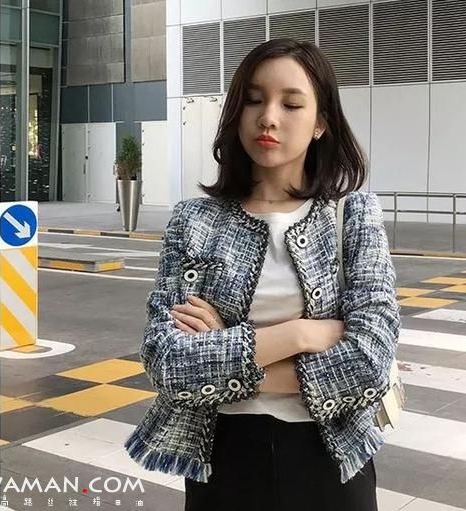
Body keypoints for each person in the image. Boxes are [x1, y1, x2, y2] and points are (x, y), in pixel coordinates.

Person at [124, 38, 400, 511]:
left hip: (331, 461)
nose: (268, 117)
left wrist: (221, 347)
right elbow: (167, 362)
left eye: (291, 104)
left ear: (320, 123)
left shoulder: (352, 214)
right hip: (223, 459)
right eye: (254, 100)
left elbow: (369, 364)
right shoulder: (194, 221)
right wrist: (299, 334)